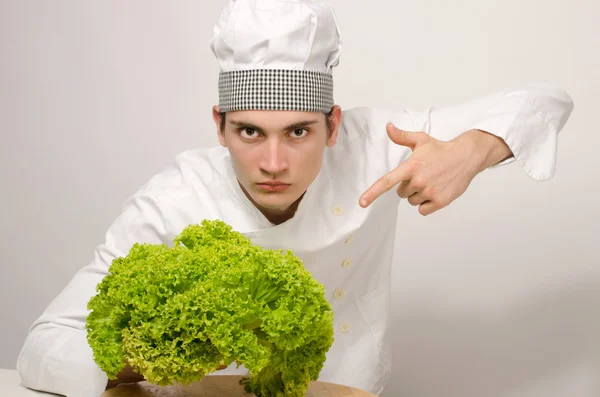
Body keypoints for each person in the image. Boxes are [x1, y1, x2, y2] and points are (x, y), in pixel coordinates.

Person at [16, 1, 574, 396]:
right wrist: (137, 359)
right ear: (219, 125)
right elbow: (43, 346)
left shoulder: (378, 145)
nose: (274, 163)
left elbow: (546, 102)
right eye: (250, 132)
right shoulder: (174, 198)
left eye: (299, 132)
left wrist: (470, 152)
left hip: (344, 389)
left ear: (334, 126)